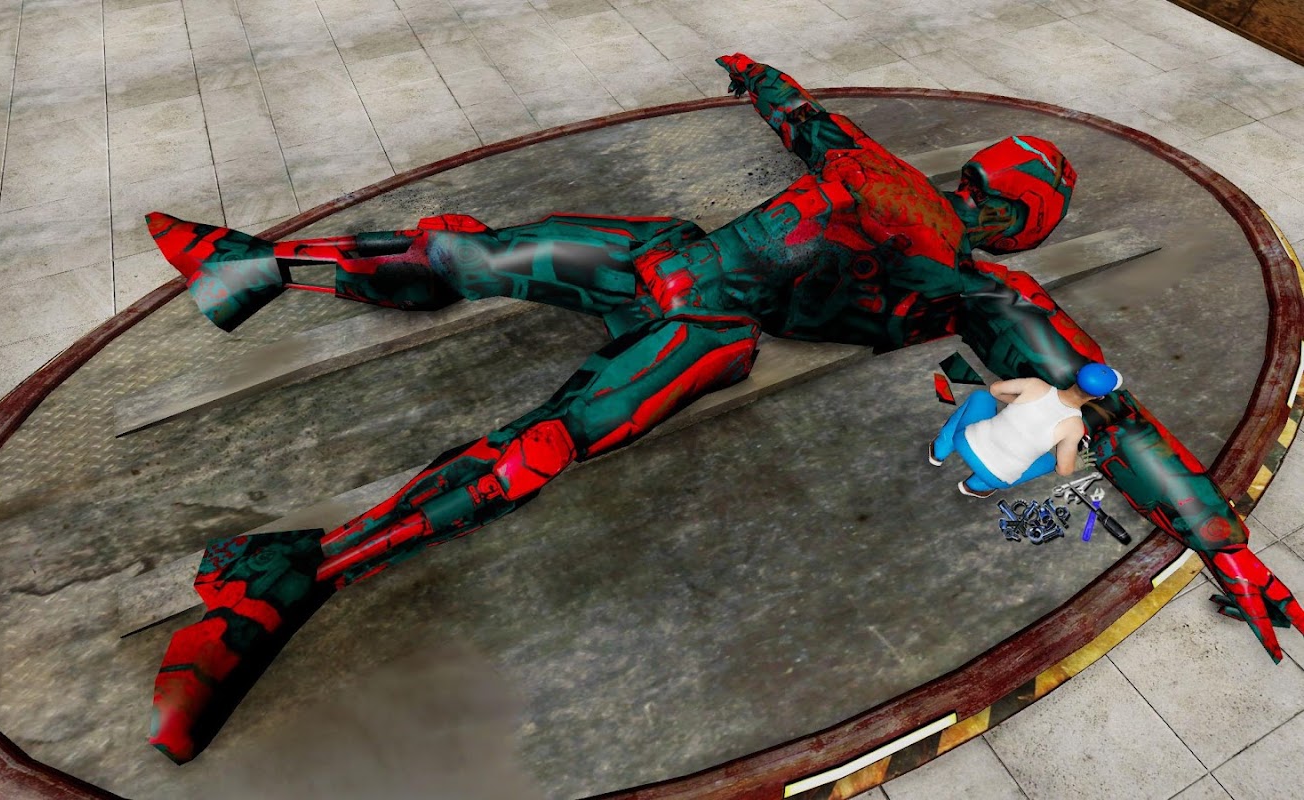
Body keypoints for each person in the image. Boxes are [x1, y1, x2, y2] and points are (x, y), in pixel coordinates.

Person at [142, 53, 1304, 764]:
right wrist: (1225, 544)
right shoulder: (978, 282)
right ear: (1016, 223)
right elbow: (1119, 423)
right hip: (687, 295)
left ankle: (272, 360)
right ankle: (284, 461)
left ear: (984, 190)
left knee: (482, 286)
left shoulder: (916, 216)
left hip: (677, 283)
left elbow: (803, 116)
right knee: (503, 348)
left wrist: (760, 78)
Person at [932, 363, 1123, 498]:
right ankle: (976, 485)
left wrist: (1018, 405)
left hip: (966, 442)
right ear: (1100, 397)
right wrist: (1076, 463)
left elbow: (995, 390)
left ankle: (941, 448)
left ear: (1078, 373)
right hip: (996, 475)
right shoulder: (1074, 427)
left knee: (982, 397)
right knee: (1050, 460)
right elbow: (1064, 470)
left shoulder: (1036, 385)